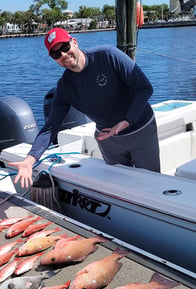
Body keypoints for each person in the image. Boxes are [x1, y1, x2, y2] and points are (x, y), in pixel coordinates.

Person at [8, 28, 160, 188]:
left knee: (151, 184)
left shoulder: (108, 55)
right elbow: (51, 126)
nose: (64, 55)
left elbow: (144, 88)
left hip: (140, 130)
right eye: (56, 54)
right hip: (109, 140)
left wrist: (127, 121)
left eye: (65, 47)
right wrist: (29, 160)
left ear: (74, 42)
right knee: (120, 186)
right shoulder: (65, 87)